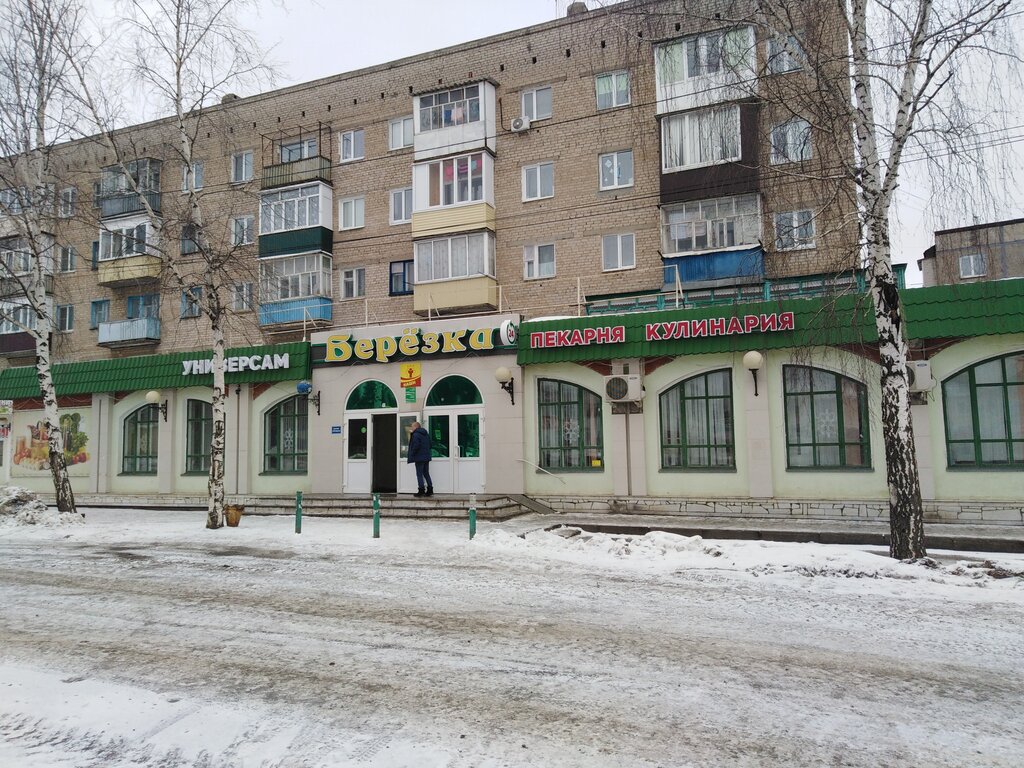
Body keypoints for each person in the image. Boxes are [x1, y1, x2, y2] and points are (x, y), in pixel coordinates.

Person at [407, 421, 433, 497]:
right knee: (426, 473)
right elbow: (430, 444)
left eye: (412, 426)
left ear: (416, 427)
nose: (411, 428)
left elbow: (416, 445)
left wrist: (412, 453)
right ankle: (430, 489)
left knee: (419, 474)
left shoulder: (416, 435)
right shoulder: (426, 434)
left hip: (419, 458)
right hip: (426, 457)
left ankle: (421, 490)